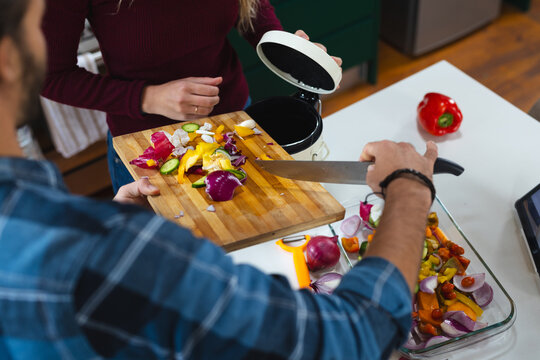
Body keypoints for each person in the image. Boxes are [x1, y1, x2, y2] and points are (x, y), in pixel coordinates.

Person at [0, 0, 437, 358]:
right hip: (145, 139)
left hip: (233, 115)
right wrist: (410, 187)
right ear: (10, 60)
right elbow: (351, 337)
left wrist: (284, 44)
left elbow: (251, 6)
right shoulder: (120, 252)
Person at [39, 0, 343, 193]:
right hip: (148, 145)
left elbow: (252, 7)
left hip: (233, 122)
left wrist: (286, 47)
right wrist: (148, 97)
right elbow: (49, 76)